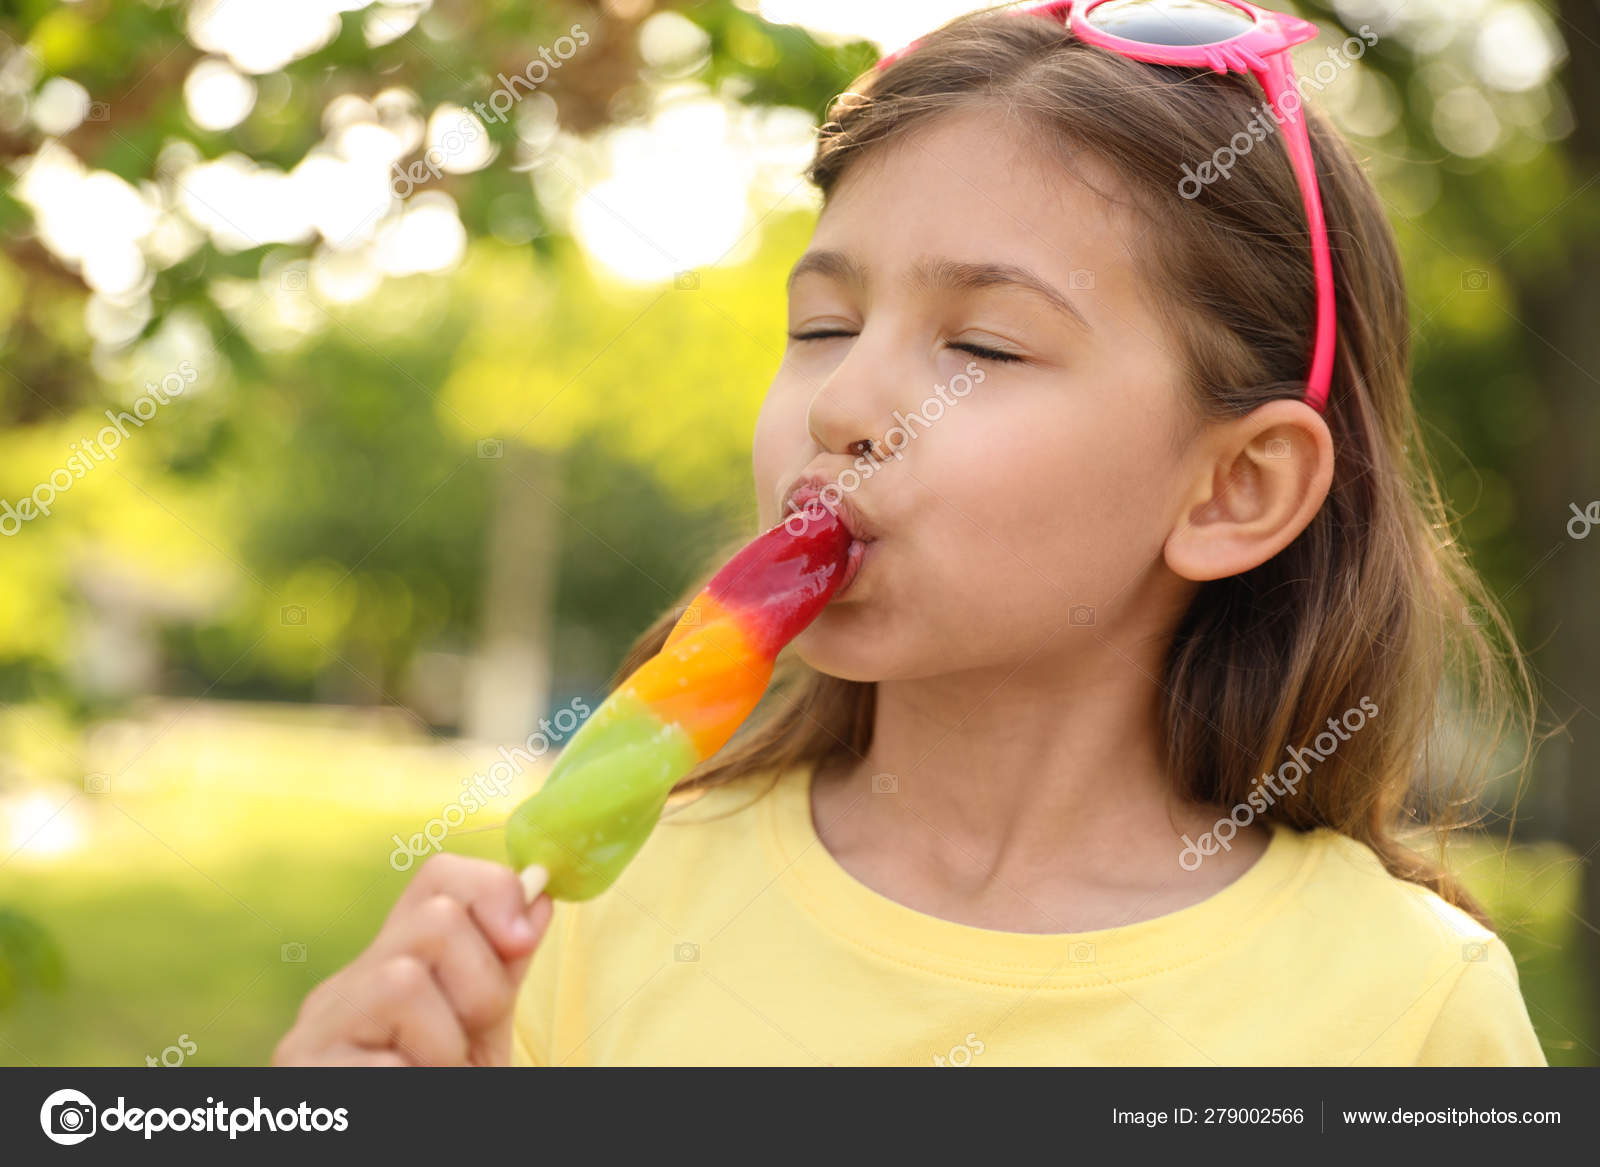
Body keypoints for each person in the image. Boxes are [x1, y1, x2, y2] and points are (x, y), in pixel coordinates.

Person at [275, 1, 1544, 1067]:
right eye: (822, 326)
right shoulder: (588, 918)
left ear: (1235, 489)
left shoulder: (1405, 1011)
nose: (841, 404)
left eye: (981, 346)